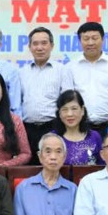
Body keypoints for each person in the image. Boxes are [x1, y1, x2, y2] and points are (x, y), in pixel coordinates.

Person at [61, 22, 108, 133]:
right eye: (86, 39)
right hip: (81, 127)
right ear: (80, 41)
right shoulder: (70, 67)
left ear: (103, 39)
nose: (90, 42)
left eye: (95, 38)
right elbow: (68, 100)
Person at [19, 27, 65, 165]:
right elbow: (17, 103)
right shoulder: (21, 72)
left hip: (53, 127)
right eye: (35, 44)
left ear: (52, 46)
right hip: (27, 130)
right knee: (29, 168)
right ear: (30, 47)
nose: (39, 48)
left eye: (44, 43)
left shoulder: (62, 70)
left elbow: (66, 102)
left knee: (53, 166)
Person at [53, 89, 103, 165]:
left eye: (74, 108)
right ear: (59, 113)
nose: (69, 114)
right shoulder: (52, 138)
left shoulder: (94, 136)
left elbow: (103, 166)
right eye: (64, 109)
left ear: (82, 110)